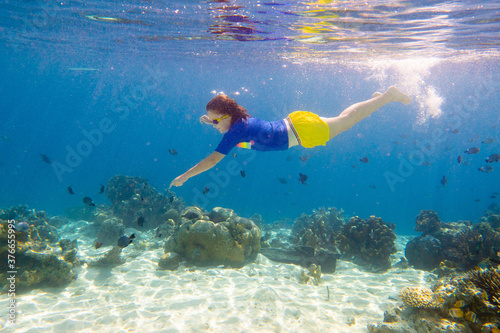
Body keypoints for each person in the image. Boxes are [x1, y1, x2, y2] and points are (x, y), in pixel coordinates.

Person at [169, 86, 412, 188]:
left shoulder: (235, 131)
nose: (213, 125)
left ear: (226, 116)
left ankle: (387, 97)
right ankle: (377, 98)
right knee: (343, 119)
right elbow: (237, 135)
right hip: (295, 122)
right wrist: (209, 120)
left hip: (303, 131)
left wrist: (185, 176)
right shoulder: (238, 123)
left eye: (214, 121)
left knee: (348, 122)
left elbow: (211, 161)